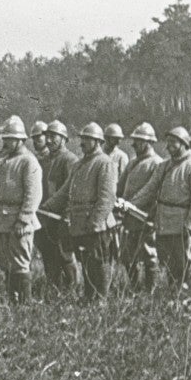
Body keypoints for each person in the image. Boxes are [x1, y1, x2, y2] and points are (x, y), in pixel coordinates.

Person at [45, 123, 118, 300]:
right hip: (79, 224)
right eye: (82, 138)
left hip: (97, 226)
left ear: (98, 142)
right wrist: (46, 207)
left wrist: (95, 222)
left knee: (99, 263)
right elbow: (64, 192)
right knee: (85, 262)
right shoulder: (78, 165)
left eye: (87, 139)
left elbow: (107, 198)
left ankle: (101, 299)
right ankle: (88, 297)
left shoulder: (105, 163)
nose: (83, 142)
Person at [132, 127, 191, 289]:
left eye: (174, 142)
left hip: (182, 224)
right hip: (164, 223)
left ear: (184, 144)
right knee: (168, 263)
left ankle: (186, 296)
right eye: (169, 142)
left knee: (184, 263)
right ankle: (173, 295)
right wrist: (131, 204)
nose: (169, 146)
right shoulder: (164, 166)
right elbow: (149, 189)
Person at [0, 116, 42, 303]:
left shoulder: (29, 162)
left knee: (20, 262)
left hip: (19, 220)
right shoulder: (3, 161)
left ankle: (25, 303)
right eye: (5, 138)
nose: (6, 142)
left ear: (21, 140)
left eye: (10, 138)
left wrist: (23, 220)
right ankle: (13, 300)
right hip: (1, 219)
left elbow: (33, 195)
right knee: (4, 261)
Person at [118, 124, 164, 292]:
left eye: (139, 141)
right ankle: (135, 287)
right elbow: (121, 187)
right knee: (127, 255)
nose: (134, 144)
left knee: (149, 255)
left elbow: (156, 192)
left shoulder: (157, 163)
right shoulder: (132, 163)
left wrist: (151, 214)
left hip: (146, 217)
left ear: (149, 143)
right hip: (129, 216)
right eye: (135, 140)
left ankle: (150, 290)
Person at [37, 121, 78, 292]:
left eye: (53, 137)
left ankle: (72, 289)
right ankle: (54, 288)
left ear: (63, 138)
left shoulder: (70, 160)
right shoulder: (44, 160)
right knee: (47, 252)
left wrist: (68, 216)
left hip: (61, 216)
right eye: (47, 136)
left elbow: (71, 191)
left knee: (64, 254)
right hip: (44, 216)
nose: (49, 140)